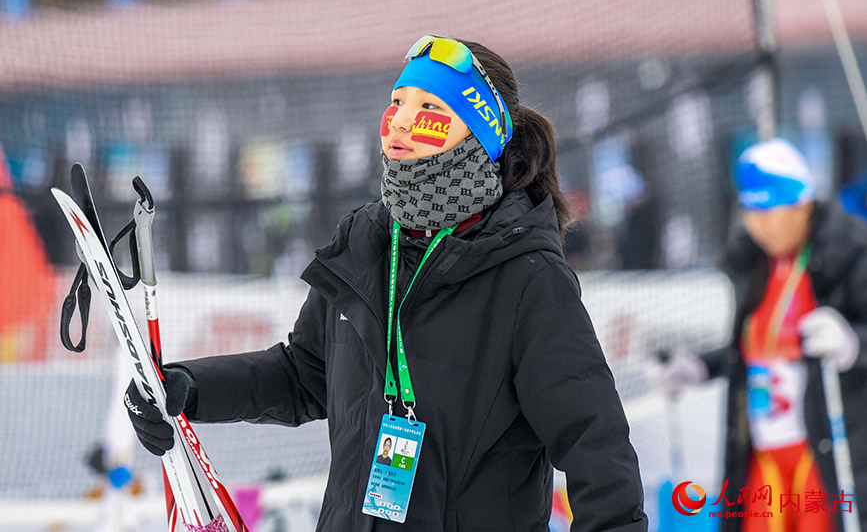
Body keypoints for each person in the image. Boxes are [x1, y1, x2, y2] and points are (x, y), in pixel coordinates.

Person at [124, 35, 647, 532]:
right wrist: (192, 388)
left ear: (481, 132)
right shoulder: (365, 242)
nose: (399, 123)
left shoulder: (529, 278)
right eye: (397, 104)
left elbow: (595, 447)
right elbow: (305, 374)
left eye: (429, 112)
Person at [659, 138, 867, 531]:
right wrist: (700, 367)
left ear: (802, 205)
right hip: (763, 451)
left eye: (769, 211)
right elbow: (753, 347)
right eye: (751, 212)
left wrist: (852, 345)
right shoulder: (754, 263)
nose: (758, 226)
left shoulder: (850, 251)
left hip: (821, 451)